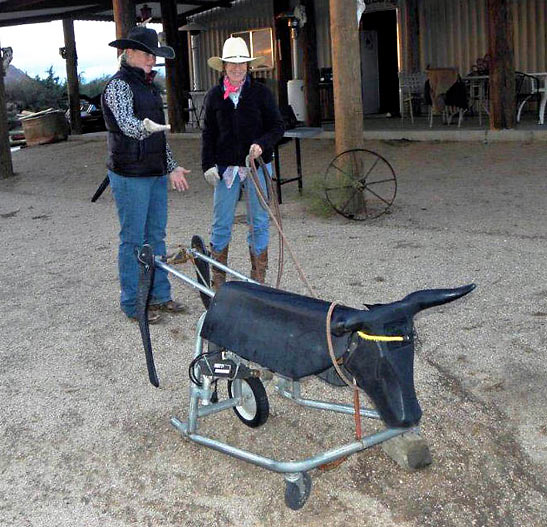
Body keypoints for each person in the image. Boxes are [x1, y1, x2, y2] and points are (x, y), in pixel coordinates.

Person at [102, 26, 190, 324]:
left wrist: (171, 165)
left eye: (154, 55)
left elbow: (159, 137)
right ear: (129, 53)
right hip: (129, 173)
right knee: (133, 240)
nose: (152, 59)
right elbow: (127, 124)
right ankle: (134, 303)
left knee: (156, 237)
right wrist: (147, 128)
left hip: (152, 172)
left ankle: (160, 296)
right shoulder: (118, 86)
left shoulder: (148, 86)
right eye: (147, 54)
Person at [201, 37, 284, 289]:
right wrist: (208, 165)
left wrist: (262, 143)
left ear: (248, 66)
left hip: (257, 166)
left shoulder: (261, 93)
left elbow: (278, 126)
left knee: (258, 221)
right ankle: (218, 281)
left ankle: (258, 279)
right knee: (221, 222)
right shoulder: (214, 96)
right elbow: (208, 133)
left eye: (242, 64)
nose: (237, 68)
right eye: (232, 64)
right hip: (226, 168)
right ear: (224, 66)